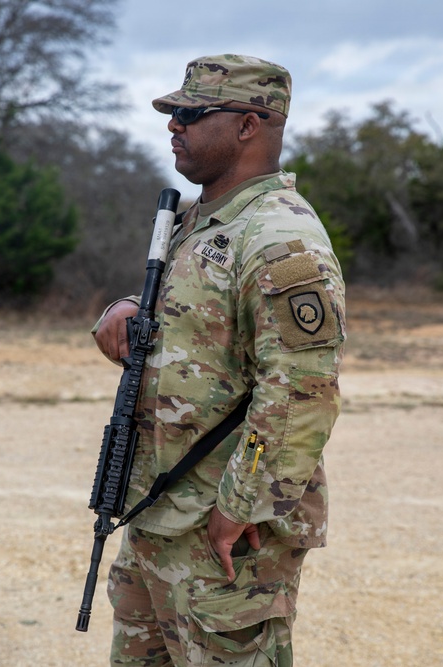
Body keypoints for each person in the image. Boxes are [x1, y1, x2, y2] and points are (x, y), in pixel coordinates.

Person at [91, 54, 346, 666]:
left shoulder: (280, 239)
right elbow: (193, 312)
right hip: (156, 508)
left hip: (222, 532)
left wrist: (241, 507)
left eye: (190, 113)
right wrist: (127, 306)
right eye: (173, 113)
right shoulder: (197, 222)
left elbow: (300, 392)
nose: (173, 125)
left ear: (249, 124)